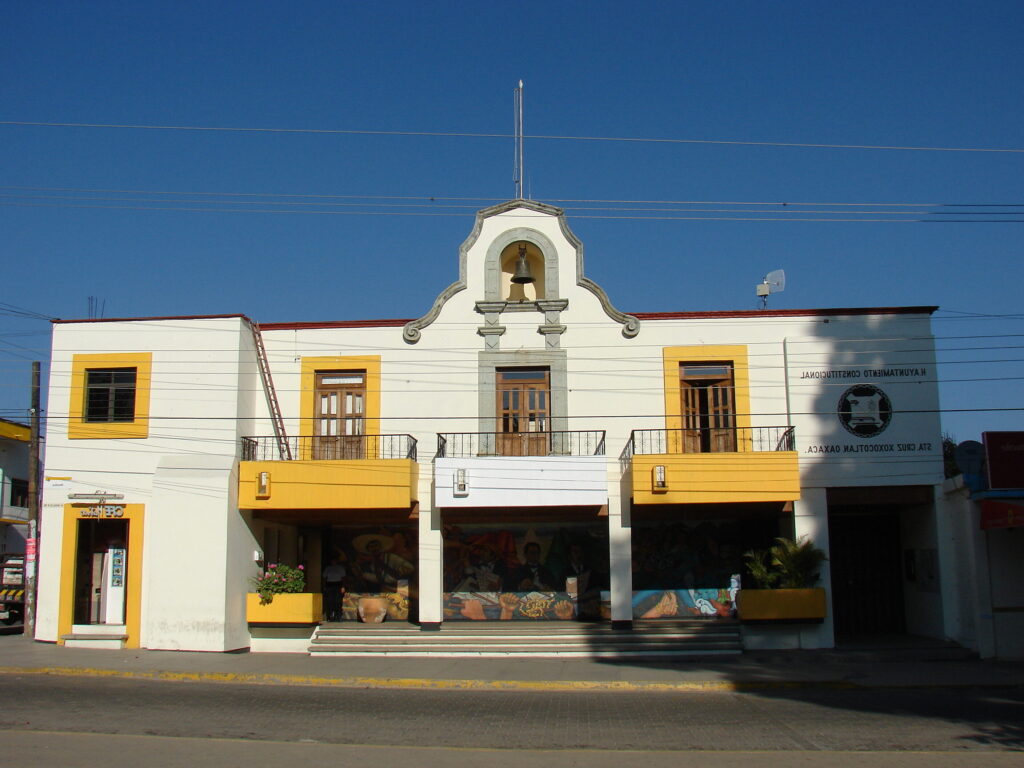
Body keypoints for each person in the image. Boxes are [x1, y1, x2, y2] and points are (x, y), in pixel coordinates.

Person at [322, 556, 346, 622]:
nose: (333, 562)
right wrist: (324, 586)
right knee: (330, 601)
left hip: (338, 585)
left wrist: (343, 587)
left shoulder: (340, 568)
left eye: (335, 560)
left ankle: (338, 615)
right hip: (329, 585)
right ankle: (330, 615)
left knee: (337, 601)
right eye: (332, 561)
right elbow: (324, 577)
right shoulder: (328, 568)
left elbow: (343, 578)